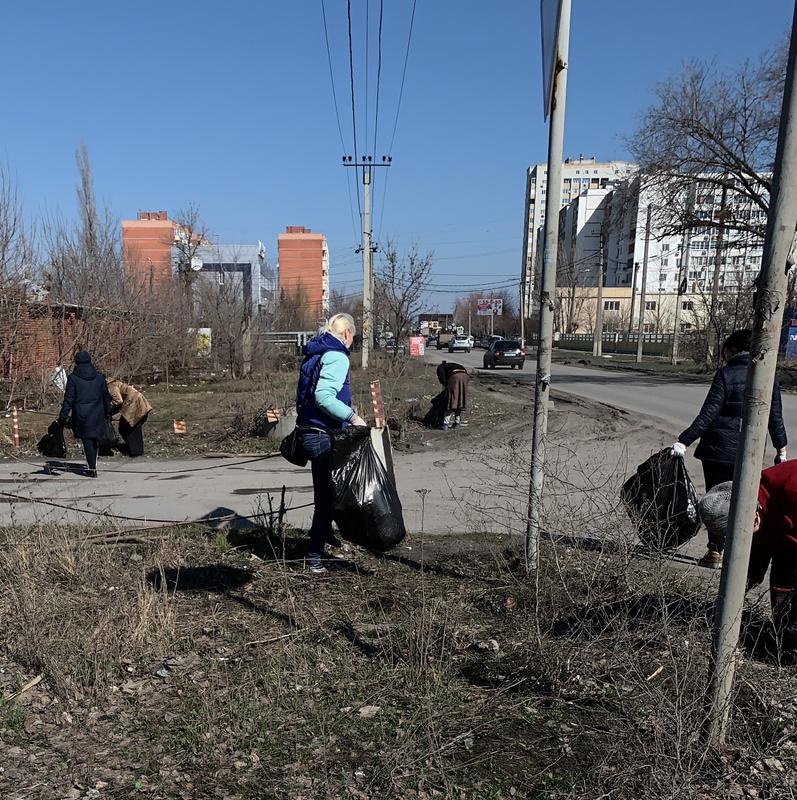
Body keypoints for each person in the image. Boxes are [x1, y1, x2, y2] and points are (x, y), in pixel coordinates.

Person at [671, 329, 787, 569]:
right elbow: (775, 416)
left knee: (716, 499)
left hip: (717, 451)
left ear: (731, 350)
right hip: (750, 453)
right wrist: (780, 448)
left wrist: (684, 440)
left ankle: (715, 551)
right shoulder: (769, 376)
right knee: (744, 499)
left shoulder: (725, 374)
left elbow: (709, 413)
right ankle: (741, 553)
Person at [295, 313, 366, 573]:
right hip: (324, 435)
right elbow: (324, 397)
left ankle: (325, 536)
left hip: (308, 431)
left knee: (325, 493)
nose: (352, 341)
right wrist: (353, 417)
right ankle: (314, 559)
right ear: (346, 333)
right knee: (330, 498)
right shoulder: (336, 356)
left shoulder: (314, 354)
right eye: (353, 336)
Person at [700, 461, 797, 644]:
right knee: (785, 626)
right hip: (787, 548)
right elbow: (757, 552)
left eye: (740, 533)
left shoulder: (791, 487)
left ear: (751, 517)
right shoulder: (753, 503)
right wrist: (736, 592)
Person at [58, 350, 113, 477]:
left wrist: (63, 415)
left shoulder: (73, 378)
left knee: (87, 440)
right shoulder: (99, 377)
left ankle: (91, 467)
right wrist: (108, 411)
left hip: (81, 414)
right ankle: (93, 463)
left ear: (77, 362)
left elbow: (69, 399)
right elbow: (106, 396)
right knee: (94, 439)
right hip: (97, 412)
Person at [107, 377, 153, 457]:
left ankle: (135, 451)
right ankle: (135, 450)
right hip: (137, 402)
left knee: (126, 427)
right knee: (131, 427)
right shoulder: (116, 383)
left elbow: (118, 400)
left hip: (133, 403)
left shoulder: (111, 386)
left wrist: (109, 408)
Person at [436, 360, 469, 430]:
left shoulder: (440, 367)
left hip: (455, 376)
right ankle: (457, 424)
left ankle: (445, 424)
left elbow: (443, 381)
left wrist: (445, 392)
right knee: (460, 399)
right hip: (465, 376)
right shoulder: (452, 365)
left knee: (451, 400)